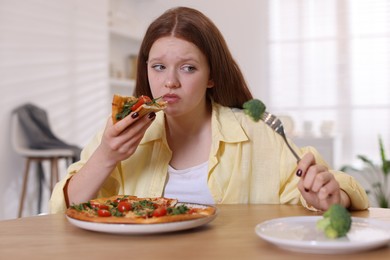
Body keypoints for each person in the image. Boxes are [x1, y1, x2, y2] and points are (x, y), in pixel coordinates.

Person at [50, 6, 368, 213]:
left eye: (188, 68)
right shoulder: (117, 137)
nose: (169, 82)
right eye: (158, 67)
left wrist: (329, 196)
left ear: (212, 76)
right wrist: (107, 155)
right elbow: (62, 211)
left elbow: (333, 191)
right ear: (144, 70)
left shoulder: (257, 133)